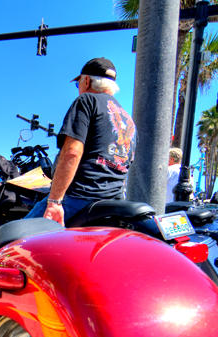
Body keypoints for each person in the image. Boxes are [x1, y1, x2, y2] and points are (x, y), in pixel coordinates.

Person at [26, 57, 136, 225]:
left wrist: (55, 201)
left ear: (86, 80)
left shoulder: (87, 101)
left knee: (15, 240)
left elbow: (72, 152)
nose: (79, 89)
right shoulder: (129, 120)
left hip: (80, 197)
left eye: (78, 84)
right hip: (113, 202)